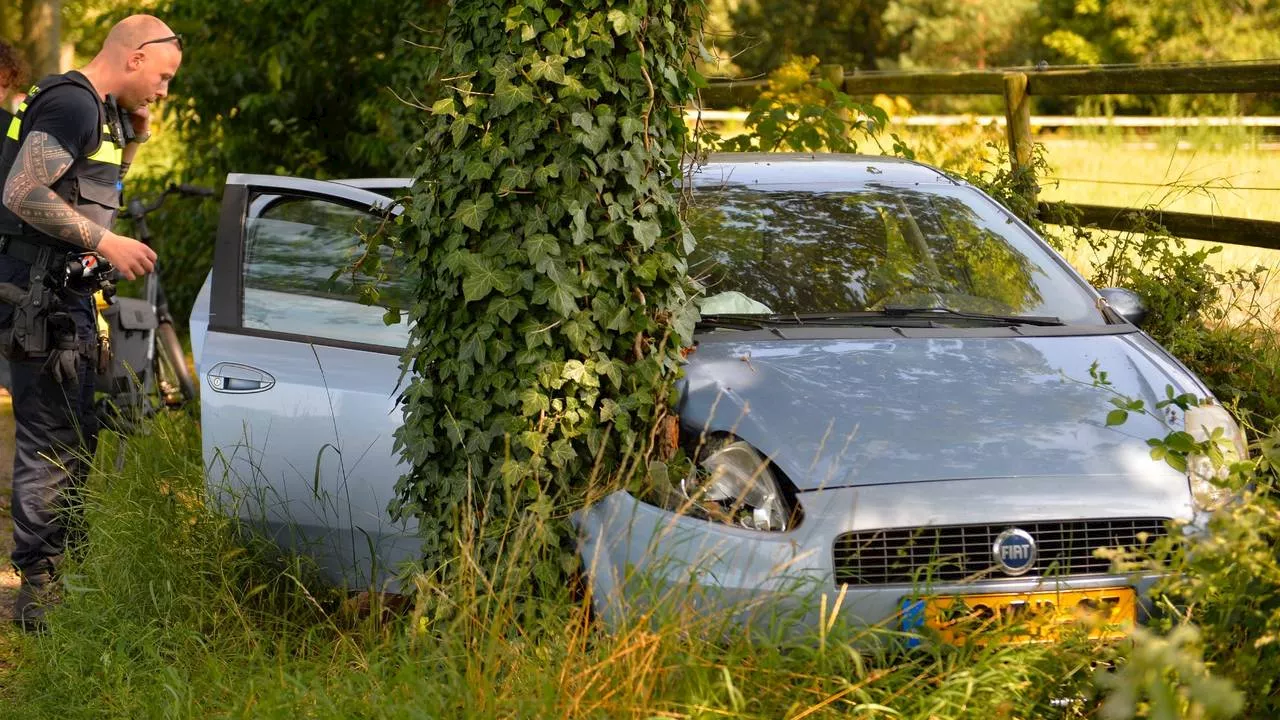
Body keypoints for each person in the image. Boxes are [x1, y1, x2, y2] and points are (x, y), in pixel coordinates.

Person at [0, 15, 181, 630]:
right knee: (50, 441)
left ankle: (67, 570)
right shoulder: (72, 104)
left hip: (66, 299)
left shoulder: (100, 113)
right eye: (161, 78)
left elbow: (91, 190)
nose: (162, 91)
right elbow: (23, 192)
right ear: (134, 58)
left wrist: (136, 140)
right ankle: (39, 588)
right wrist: (107, 244)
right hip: (39, 300)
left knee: (78, 433)